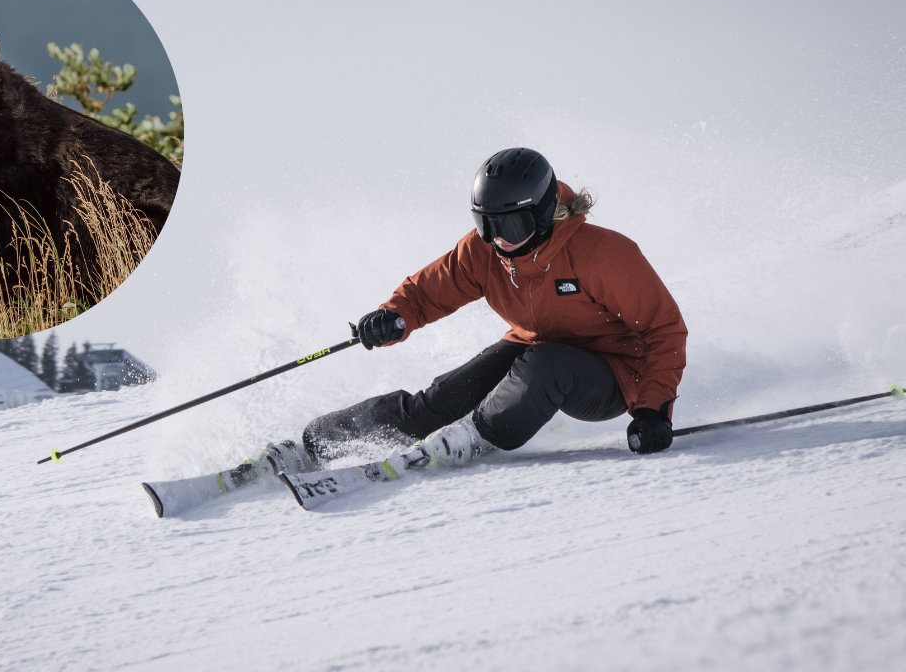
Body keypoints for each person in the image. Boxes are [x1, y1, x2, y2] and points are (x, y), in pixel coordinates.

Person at [261, 147, 687, 477]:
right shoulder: (486, 253)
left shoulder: (603, 255)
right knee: (437, 402)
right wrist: (393, 316)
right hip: (532, 348)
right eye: (487, 224)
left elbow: (664, 330)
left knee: (547, 363)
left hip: (613, 374)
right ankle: (315, 444)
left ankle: (472, 437)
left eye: (511, 226)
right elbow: (427, 292)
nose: (498, 239)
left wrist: (653, 411)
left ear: (541, 216)